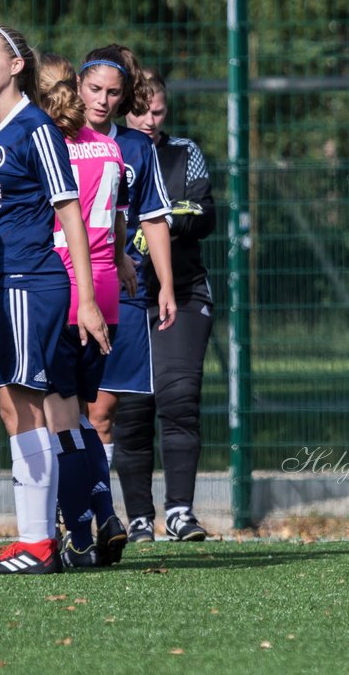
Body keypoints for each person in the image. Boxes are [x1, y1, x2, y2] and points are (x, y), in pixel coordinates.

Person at [0, 27, 110, 575]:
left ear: (17, 63)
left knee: (28, 406)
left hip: (31, 282)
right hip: (0, 286)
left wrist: (87, 299)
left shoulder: (37, 130)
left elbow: (68, 211)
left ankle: (40, 546)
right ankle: (33, 540)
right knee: (12, 407)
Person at [75, 45, 176, 545]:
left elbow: (152, 216)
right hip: (66, 285)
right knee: (64, 408)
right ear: (77, 86)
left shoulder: (135, 148)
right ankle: (73, 509)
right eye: (94, 89)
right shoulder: (57, 139)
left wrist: (166, 286)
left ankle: (97, 514)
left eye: (113, 92)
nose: (102, 100)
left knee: (102, 411)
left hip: (122, 293)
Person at [113, 69, 216, 542]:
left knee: (178, 397)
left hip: (185, 294)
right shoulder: (109, 151)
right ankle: (138, 517)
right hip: (126, 298)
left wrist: (159, 224)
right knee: (133, 409)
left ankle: (180, 512)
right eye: (140, 111)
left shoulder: (184, 153)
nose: (150, 120)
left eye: (158, 112)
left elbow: (201, 212)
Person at [37, 54, 129, 567]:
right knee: (87, 422)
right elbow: (115, 225)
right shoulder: (112, 148)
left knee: (61, 422)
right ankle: (107, 515)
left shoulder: (52, 150)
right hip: (108, 291)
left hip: (65, 290)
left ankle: (78, 531)